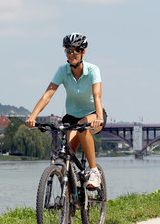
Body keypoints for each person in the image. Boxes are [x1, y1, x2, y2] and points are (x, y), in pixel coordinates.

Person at [25, 32, 106, 188]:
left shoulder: (93, 70)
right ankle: (69, 204)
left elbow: (97, 96)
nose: (71, 54)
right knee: (67, 158)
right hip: (71, 117)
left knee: (83, 128)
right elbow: (48, 94)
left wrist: (99, 118)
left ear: (83, 52)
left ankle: (94, 170)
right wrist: (33, 116)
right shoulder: (63, 71)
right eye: (68, 50)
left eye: (76, 50)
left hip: (93, 114)